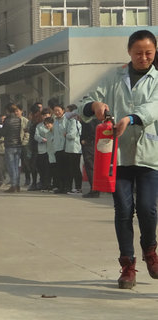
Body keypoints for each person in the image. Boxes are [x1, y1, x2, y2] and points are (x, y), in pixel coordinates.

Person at [80, 30, 158, 289]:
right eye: (138, 52)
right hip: (118, 157)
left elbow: (152, 107)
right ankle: (128, 265)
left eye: (148, 53)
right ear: (128, 52)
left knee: (147, 209)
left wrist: (131, 118)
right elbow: (88, 98)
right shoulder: (114, 77)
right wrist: (96, 106)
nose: (143, 57)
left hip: (149, 155)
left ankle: (149, 249)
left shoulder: (157, 80)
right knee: (124, 210)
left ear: (155, 52)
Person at [0, 103, 29, 193]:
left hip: (10, 145)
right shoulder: (18, 119)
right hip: (18, 144)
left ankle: (13, 185)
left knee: (11, 166)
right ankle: (17, 185)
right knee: (16, 167)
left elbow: (4, 132)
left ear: (8, 111)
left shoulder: (8, 120)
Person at [64, 105, 83, 194]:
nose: (66, 113)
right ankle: (76, 187)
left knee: (74, 169)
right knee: (74, 168)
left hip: (73, 148)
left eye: (67, 111)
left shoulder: (72, 121)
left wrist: (65, 135)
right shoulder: (75, 121)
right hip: (75, 148)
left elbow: (71, 135)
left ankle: (78, 187)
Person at [81, 116, 102, 198]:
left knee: (90, 167)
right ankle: (94, 188)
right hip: (92, 145)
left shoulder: (91, 120)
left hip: (90, 145)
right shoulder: (93, 119)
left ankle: (94, 190)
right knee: (91, 167)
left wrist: (86, 141)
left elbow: (93, 132)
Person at [34, 109, 53, 192]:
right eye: (44, 115)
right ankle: (44, 184)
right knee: (42, 168)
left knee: (49, 168)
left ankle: (48, 184)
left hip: (51, 150)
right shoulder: (39, 126)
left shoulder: (53, 124)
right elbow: (36, 136)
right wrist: (42, 139)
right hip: (42, 149)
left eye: (47, 115)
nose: (45, 117)